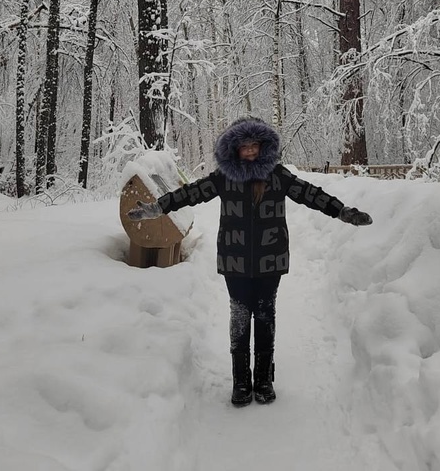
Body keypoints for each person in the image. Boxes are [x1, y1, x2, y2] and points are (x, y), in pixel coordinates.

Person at [128, 117, 372, 407]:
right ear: (235, 150)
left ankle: (264, 380)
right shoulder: (224, 178)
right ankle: (241, 382)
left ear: (263, 147)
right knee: (241, 318)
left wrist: (342, 211)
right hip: (236, 261)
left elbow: (311, 195)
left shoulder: (278, 176)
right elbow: (189, 194)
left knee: (265, 316)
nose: (250, 152)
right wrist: (157, 208)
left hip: (271, 260)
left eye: (255, 146)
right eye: (245, 147)